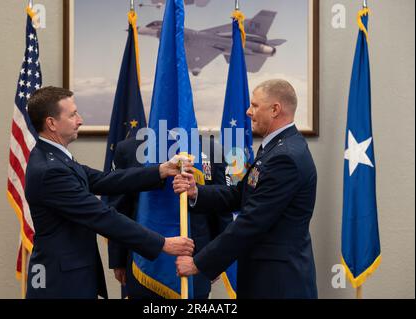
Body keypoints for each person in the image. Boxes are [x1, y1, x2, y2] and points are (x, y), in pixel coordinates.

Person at [24, 86, 194, 299]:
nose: (80, 120)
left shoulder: (56, 158)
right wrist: (162, 243)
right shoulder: (50, 170)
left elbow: (105, 180)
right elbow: (102, 216)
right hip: (60, 282)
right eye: (73, 114)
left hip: (69, 272)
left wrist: (161, 170)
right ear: (51, 123)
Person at [173, 79, 318, 299]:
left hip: (277, 283)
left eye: (255, 105)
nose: (248, 112)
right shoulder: (277, 147)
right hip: (265, 275)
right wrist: (197, 193)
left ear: (275, 109)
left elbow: (252, 221)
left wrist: (198, 263)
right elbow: (241, 194)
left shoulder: (285, 157)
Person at [108, 136, 228, 299]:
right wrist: (118, 260)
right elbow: (119, 209)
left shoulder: (210, 150)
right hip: (143, 263)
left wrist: (215, 258)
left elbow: (220, 209)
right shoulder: (129, 150)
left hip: (196, 260)